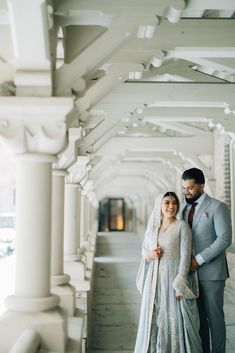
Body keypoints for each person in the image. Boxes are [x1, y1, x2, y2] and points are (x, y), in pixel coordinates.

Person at [134, 191, 202, 353]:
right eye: (167, 202)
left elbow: (185, 257)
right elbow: (144, 251)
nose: (171, 206)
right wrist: (150, 255)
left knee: (175, 319)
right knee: (155, 316)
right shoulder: (152, 230)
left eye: (174, 203)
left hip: (173, 279)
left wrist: (180, 283)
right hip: (155, 280)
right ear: (160, 205)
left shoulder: (182, 227)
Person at [181, 168, 232, 353]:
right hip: (190, 275)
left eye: (190, 188)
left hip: (212, 274)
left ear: (202, 185)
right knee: (199, 319)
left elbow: (225, 239)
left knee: (215, 318)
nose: (186, 192)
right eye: (184, 188)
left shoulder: (218, 207)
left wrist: (199, 260)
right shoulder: (185, 209)